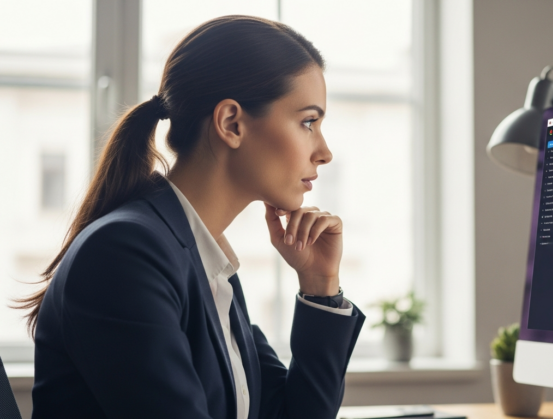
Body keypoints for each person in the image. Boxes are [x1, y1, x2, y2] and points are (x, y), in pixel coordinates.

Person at [18, 15, 365, 419]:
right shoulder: (126, 254)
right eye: (308, 122)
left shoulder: (206, 261)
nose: (324, 151)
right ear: (231, 123)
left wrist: (320, 287)